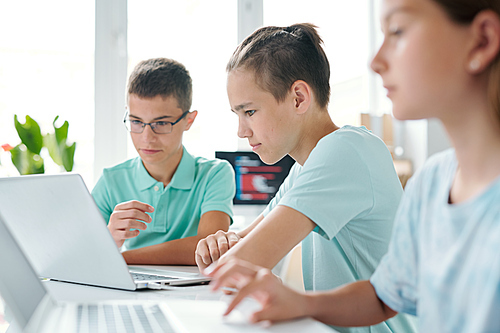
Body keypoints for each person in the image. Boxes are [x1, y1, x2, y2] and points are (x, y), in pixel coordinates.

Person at [205, 0, 500, 332]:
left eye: (399, 31)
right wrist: (300, 304)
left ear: (482, 40)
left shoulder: (346, 149)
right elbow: (383, 296)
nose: (375, 62)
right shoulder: (431, 181)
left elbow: (246, 256)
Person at [196, 23, 416, 332]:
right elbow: (236, 252)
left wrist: (227, 255)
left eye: (250, 112)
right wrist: (218, 245)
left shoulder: (347, 151)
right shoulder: (303, 168)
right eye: (237, 115)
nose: (241, 132)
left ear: (299, 98)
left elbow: (246, 260)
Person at [91, 58, 235, 265]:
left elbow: (208, 248)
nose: (146, 137)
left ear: (188, 120)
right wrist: (110, 239)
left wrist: (121, 258)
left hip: (194, 293)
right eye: (136, 122)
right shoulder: (111, 180)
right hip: (132, 288)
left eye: (161, 123)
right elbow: (85, 256)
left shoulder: (215, 174)